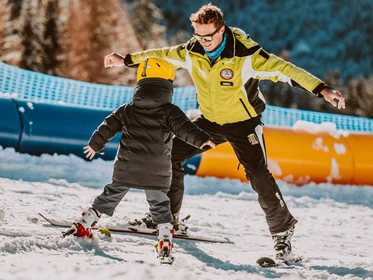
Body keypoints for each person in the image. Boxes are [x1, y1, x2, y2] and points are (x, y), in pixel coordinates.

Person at [103, 4, 346, 261]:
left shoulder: (246, 55)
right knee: (170, 155)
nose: (203, 41)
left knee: (258, 174)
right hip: (210, 122)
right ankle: (167, 219)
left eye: (208, 36)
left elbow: (285, 71)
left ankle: (282, 233)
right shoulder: (192, 51)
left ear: (222, 30)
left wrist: (323, 90)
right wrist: (126, 59)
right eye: (198, 35)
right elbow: (161, 54)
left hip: (244, 124)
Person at [64, 57, 216, 261]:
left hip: (127, 167)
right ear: (167, 86)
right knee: (160, 204)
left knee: (111, 195)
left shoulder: (127, 109)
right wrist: (202, 140)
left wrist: (95, 144)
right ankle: (164, 239)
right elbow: (185, 129)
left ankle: (85, 223)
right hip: (156, 170)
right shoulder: (170, 112)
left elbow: (107, 126)